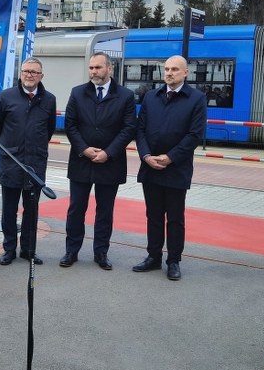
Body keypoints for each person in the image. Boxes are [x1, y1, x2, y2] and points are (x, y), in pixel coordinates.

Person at [132, 55, 206, 281]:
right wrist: (145, 156)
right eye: (166, 69)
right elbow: (140, 130)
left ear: (186, 73)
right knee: (153, 216)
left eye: (174, 69)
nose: (169, 73)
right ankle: (153, 256)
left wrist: (170, 157)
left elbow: (195, 135)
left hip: (176, 169)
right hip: (151, 167)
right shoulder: (151, 97)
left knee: (175, 218)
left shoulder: (196, 99)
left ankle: (174, 260)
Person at [60, 52, 136, 270]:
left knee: (105, 211)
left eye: (98, 68)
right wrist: (84, 149)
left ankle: (101, 253)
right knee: (76, 209)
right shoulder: (77, 93)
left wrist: (108, 152)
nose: (93, 72)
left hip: (110, 163)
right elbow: (70, 125)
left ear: (109, 69)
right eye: (91, 68)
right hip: (81, 161)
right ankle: (71, 251)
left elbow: (129, 128)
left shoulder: (125, 96)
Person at [0, 57, 57, 266]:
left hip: (35, 164)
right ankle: (9, 249)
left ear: (41, 76)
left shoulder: (49, 99)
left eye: (34, 72)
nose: (29, 75)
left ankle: (28, 250)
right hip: (11, 163)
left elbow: (49, 129)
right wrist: (11, 149)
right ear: (20, 73)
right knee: (9, 210)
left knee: (32, 210)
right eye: (26, 71)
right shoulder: (6, 97)